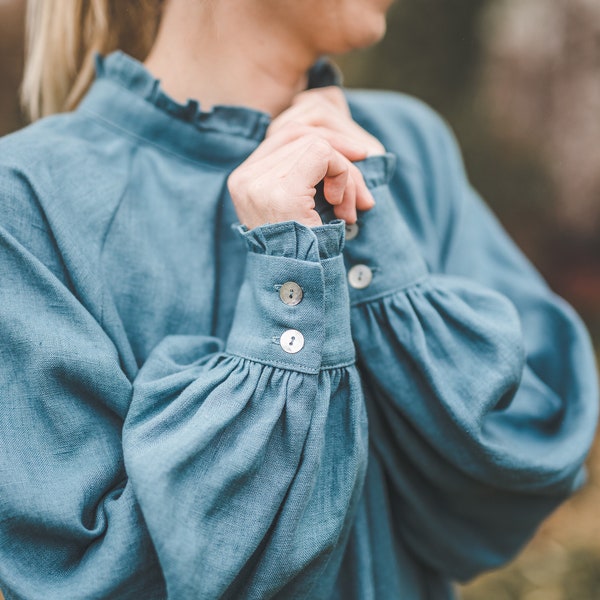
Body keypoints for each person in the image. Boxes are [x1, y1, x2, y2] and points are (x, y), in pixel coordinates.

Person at [0, 0, 597, 598]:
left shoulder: (406, 147)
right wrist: (288, 287)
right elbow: (82, 578)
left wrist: (366, 230)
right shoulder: (26, 199)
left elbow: (531, 458)